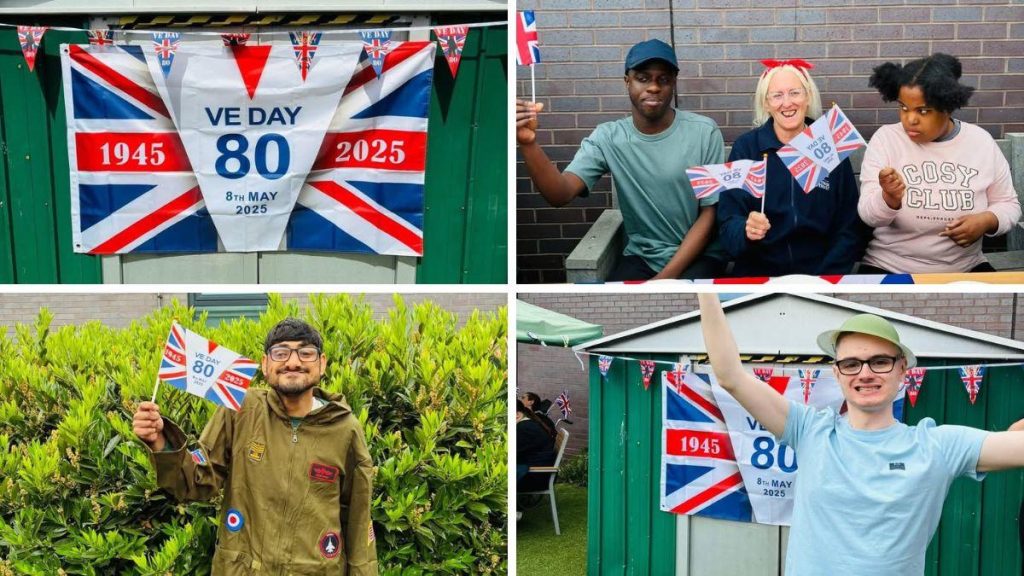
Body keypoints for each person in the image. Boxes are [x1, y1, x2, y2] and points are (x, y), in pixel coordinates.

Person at [697, 293, 1024, 575]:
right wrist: (707, 292)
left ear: (902, 371)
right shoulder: (810, 431)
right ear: (837, 373)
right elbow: (730, 376)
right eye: (851, 363)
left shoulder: (938, 446)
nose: (865, 373)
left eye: (880, 361)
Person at [132, 318, 377, 575]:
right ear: (265, 364)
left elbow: (359, 519)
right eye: (281, 353)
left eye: (306, 353)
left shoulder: (345, 429)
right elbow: (196, 482)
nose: (293, 362)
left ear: (322, 363)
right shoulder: (241, 410)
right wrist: (159, 440)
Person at [516, 39, 726, 281]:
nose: (654, 87)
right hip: (642, 257)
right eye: (643, 78)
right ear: (628, 82)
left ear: (673, 83)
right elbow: (559, 194)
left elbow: (710, 213)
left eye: (663, 79)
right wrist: (528, 144)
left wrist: (663, 280)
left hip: (699, 256)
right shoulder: (608, 137)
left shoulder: (703, 132)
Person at [859, 53, 1021, 273]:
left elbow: (1009, 204)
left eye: (923, 111)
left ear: (948, 107)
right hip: (890, 266)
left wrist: (987, 220)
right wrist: (888, 198)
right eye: (903, 108)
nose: (910, 119)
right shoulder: (886, 139)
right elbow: (868, 216)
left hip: (964, 267)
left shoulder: (980, 142)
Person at [717, 59, 866, 277]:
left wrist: (825, 278)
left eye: (795, 93)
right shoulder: (747, 148)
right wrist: (745, 231)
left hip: (820, 276)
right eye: (777, 95)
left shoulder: (828, 144)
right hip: (758, 275)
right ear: (766, 103)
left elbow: (849, 226)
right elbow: (728, 223)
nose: (787, 103)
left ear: (808, 97)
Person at [516, 400, 556, 482]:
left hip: (534, 475)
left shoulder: (524, 428)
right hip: (534, 471)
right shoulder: (528, 424)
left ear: (517, 414)